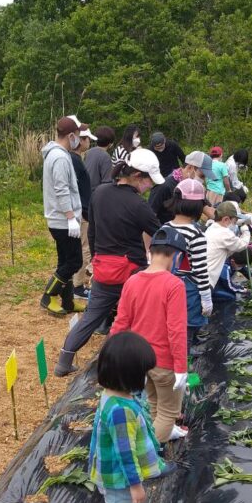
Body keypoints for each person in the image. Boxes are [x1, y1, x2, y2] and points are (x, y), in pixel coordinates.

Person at [53, 148, 164, 376]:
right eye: (149, 181)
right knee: (135, 318)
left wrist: (97, 257)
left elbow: (92, 231)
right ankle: (125, 362)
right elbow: (160, 233)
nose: (150, 186)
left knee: (92, 316)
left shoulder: (100, 193)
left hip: (104, 267)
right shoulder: (138, 205)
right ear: (137, 176)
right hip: (131, 271)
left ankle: (63, 361)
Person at [89, 332, 162, 503]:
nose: (145, 378)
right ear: (128, 374)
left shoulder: (113, 395)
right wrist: (135, 485)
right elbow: (125, 453)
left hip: (115, 477)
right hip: (119, 479)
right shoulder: (120, 410)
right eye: (143, 372)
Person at [111, 227, 189, 444]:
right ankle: (149, 455)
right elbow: (176, 329)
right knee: (168, 413)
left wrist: (111, 355)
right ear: (175, 255)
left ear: (151, 252)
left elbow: (121, 322)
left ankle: (155, 440)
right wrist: (181, 368)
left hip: (140, 360)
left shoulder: (132, 281)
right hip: (164, 362)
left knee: (154, 404)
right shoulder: (174, 285)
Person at [40, 116, 86, 315]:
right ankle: (48, 295)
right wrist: (70, 217)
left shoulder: (59, 154)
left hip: (62, 219)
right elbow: (61, 190)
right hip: (62, 220)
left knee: (65, 261)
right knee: (74, 262)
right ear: (71, 136)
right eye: (77, 135)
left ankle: (67, 302)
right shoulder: (59, 157)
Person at [165, 179, 213, 343]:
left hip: (164, 287)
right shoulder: (196, 235)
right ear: (198, 207)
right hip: (187, 291)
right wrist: (206, 298)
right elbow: (200, 270)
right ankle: (183, 364)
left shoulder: (164, 228)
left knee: (169, 328)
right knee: (185, 331)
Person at [67, 115, 98, 299]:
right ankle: (78, 285)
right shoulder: (75, 160)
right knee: (84, 247)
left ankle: (75, 282)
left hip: (82, 210)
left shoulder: (77, 159)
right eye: (87, 139)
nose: (89, 143)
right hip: (82, 212)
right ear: (81, 140)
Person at [148, 150, 215, 224]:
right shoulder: (164, 186)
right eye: (202, 176)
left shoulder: (194, 189)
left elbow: (208, 209)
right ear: (190, 168)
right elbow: (149, 217)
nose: (203, 180)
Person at [205, 202, 252, 301]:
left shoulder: (211, 228)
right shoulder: (224, 233)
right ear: (226, 219)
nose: (234, 225)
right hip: (207, 282)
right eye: (234, 221)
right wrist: (245, 229)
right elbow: (242, 245)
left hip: (201, 277)